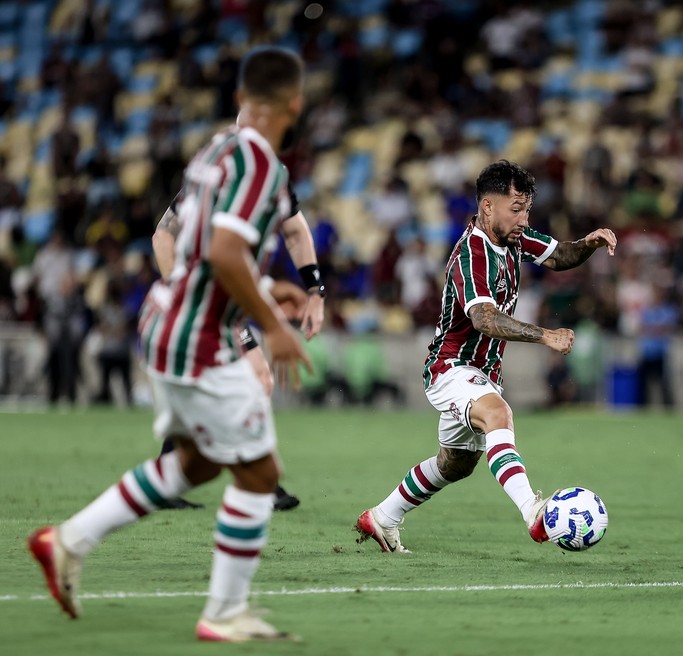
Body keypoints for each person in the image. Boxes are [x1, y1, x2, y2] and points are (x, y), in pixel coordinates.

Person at [27, 46, 312, 641]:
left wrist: (269, 286)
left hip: (166, 322)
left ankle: (67, 540)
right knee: (260, 474)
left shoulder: (215, 152)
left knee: (198, 462)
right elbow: (224, 253)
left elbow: (199, 246)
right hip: (203, 338)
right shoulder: (262, 164)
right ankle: (225, 613)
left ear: (239, 99)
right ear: (296, 103)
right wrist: (274, 324)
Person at [354, 160, 617, 553]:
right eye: (516, 209)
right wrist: (545, 335)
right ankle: (534, 513)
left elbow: (560, 255)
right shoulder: (471, 254)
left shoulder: (514, 237)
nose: (524, 218)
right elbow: (483, 318)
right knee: (499, 414)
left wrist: (589, 245)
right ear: (488, 206)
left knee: (455, 465)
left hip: (483, 372)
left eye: (527, 209)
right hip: (450, 366)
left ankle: (381, 518)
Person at [152, 176, 326, 511]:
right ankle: (259, 483)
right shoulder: (220, 175)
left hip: (219, 302)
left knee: (229, 386)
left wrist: (312, 290)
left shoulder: (268, 174)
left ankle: (167, 480)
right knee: (256, 377)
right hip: (200, 305)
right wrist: (182, 294)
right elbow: (164, 237)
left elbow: (295, 231)